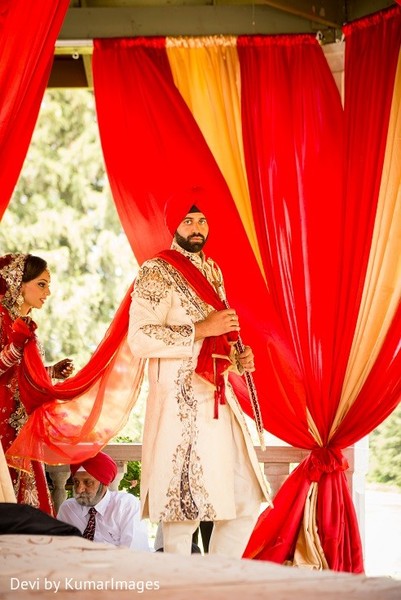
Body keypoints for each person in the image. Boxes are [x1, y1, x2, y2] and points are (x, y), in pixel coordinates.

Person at [128, 194, 272, 558]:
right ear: (173, 224)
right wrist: (202, 328)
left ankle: (216, 584)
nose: (197, 228)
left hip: (218, 400)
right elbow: (140, 338)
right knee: (181, 513)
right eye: (189, 220)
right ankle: (178, 591)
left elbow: (215, 340)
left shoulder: (213, 270)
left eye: (202, 221)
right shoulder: (155, 271)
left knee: (245, 497)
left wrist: (239, 359)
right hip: (179, 405)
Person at [0, 253, 74, 514]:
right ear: (19, 284)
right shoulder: (1, 318)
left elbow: (21, 372)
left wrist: (51, 371)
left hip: (24, 423)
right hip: (4, 424)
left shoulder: (26, 323)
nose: (48, 292)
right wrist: (18, 342)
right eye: (41, 284)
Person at [57, 451, 150, 551]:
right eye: (76, 482)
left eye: (88, 482)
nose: (79, 489)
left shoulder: (126, 506)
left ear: (104, 483)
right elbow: (59, 549)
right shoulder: (68, 509)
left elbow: (134, 553)